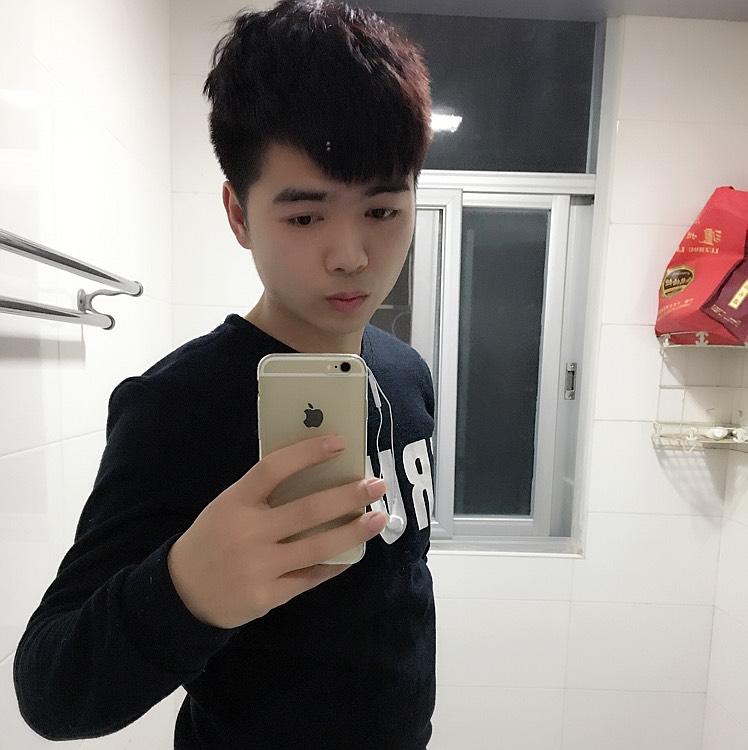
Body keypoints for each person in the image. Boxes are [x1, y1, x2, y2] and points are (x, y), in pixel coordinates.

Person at [13, 1, 436, 747]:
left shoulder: (407, 373)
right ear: (238, 214)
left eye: (382, 211)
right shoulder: (178, 405)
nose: (351, 256)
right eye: (304, 217)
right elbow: (51, 690)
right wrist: (186, 590)